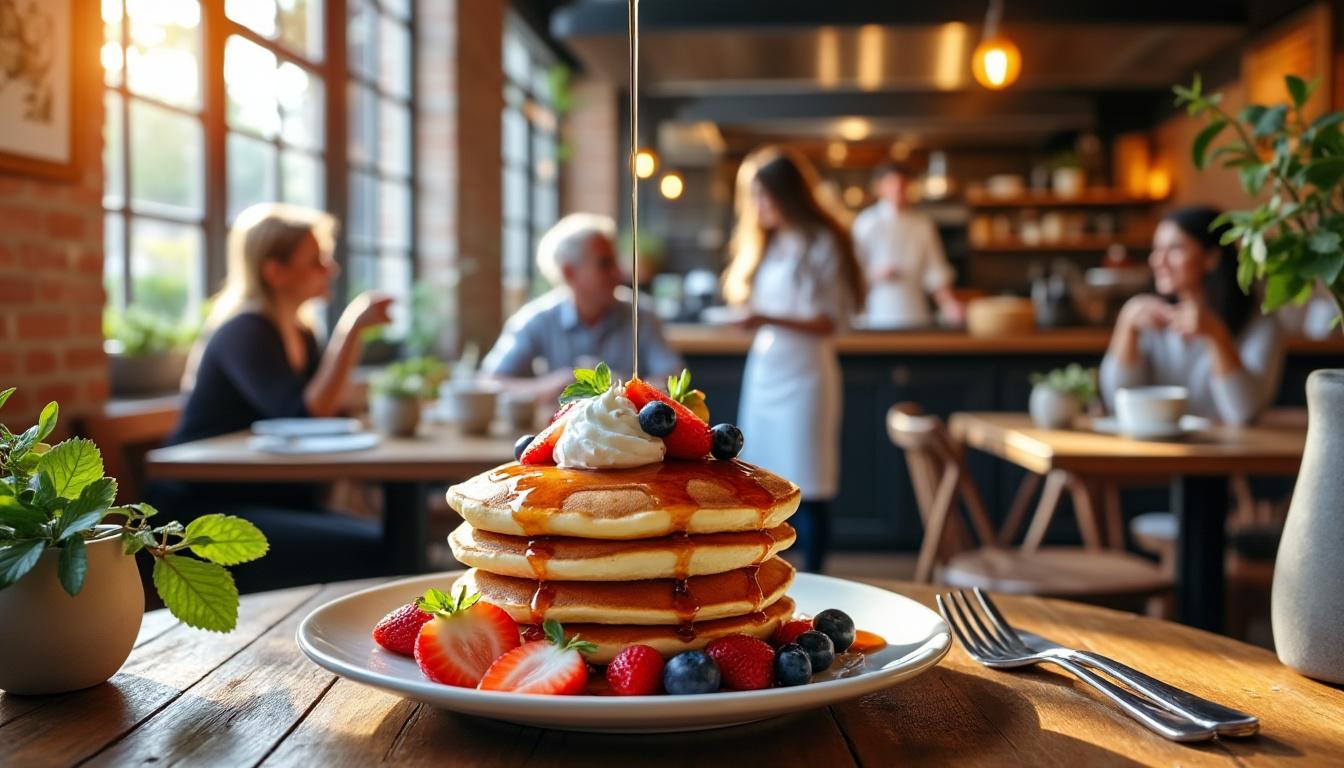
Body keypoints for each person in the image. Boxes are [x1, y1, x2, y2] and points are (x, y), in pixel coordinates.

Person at [151, 202, 394, 590]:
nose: (331, 269)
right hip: (203, 516)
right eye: (316, 260)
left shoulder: (299, 332)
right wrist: (351, 329)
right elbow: (304, 416)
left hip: (265, 502)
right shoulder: (245, 331)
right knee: (386, 548)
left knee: (391, 540)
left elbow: (323, 413)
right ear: (274, 271)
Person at [723, 148, 866, 573]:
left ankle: (817, 574)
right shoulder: (770, 243)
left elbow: (829, 321)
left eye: (763, 196)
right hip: (767, 369)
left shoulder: (825, 241)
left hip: (806, 374)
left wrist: (764, 316)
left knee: (810, 480)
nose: (757, 207)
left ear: (786, 195)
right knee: (764, 481)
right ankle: (768, 573)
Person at [1101, 206, 1285, 425]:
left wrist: (1216, 335)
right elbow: (1115, 403)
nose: (1158, 261)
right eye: (1156, 249)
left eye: (1175, 249)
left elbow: (1243, 412)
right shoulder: (1147, 319)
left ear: (1211, 257)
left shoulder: (1260, 323)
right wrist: (1126, 326)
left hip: (1231, 453)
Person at [481, 213, 684, 397]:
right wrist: (553, 384)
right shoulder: (536, 319)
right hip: (562, 434)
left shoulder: (641, 315)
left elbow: (673, 382)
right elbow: (489, 382)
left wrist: (615, 385)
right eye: (605, 264)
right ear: (569, 272)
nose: (618, 272)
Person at [851, 163, 963, 327]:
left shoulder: (922, 225)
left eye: (903, 185)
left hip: (915, 312)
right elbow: (852, 272)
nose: (898, 189)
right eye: (892, 184)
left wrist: (950, 305)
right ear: (880, 187)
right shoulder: (866, 223)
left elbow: (935, 273)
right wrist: (875, 275)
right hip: (876, 312)